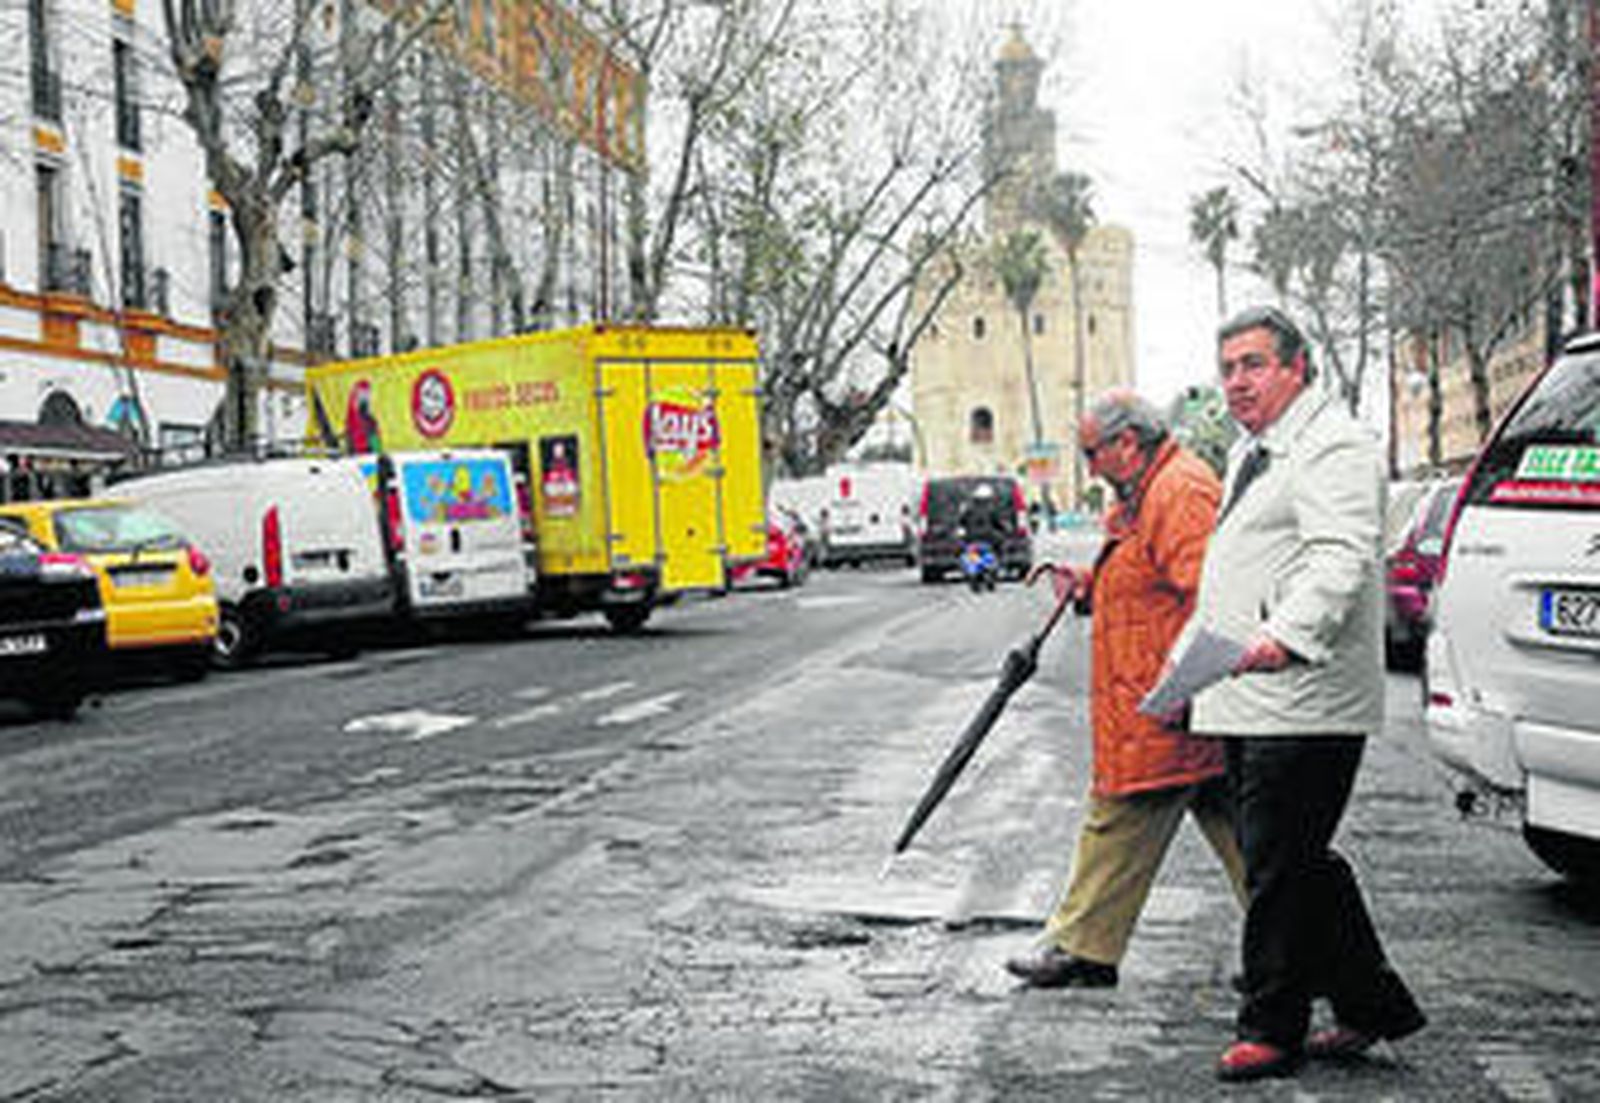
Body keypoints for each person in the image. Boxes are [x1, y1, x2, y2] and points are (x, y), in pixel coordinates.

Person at [1186, 306, 1425, 1082]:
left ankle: (1272, 1024)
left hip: (1302, 692)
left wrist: (1286, 634)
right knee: (1293, 857)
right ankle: (1371, 1004)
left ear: (1297, 366)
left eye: (1253, 364)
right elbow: (1255, 560)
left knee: (1279, 865)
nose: (1236, 383)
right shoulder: (1255, 449)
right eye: (1227, 368)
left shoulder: (1333, 445)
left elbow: (1339, 557)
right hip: (1247, 688)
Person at [1005, 391, 1246, 990]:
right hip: (1169, 705)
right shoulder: (1146, 495)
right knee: (1250, 841)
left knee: (1119, 821)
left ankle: (1081, 947)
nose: (1091, 468)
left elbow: (1211, 599)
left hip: (1168, 705)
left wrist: (1191, 686)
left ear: (1127, 444)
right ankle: (1301, 951)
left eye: (1093, 453)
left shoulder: (1178, 492)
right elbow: (1147, 582)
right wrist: (1088, 586)